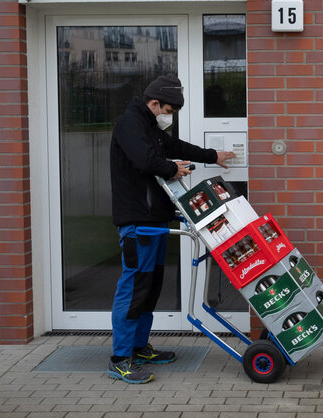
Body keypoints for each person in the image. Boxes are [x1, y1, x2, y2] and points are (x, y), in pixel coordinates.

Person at [107, 75, 235, 384]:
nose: (170, 116)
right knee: (134, 289)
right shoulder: (130, 124)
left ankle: (139, 347)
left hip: (154, 220)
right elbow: (146, 160)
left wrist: (210, 155)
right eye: (169, 110)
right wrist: (171, 167)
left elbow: (172, 146)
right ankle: (120, 359)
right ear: (154, 104)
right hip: (137, 223)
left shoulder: (150, 126)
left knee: (149, 289)